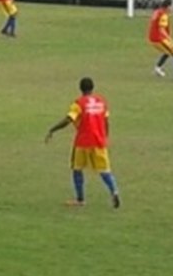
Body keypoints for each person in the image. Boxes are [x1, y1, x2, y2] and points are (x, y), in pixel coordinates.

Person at [45, 77, 120, 208]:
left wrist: (53, 129)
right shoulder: (102, 102)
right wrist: (105, 137)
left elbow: (69, 119)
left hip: (83, 142)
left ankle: (80, 199)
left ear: (80, 88)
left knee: (77, 169)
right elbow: (106, 121)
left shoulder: (79, 104)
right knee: (105, 171)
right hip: (99, 142)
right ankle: (114, 191)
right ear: (93, 88)